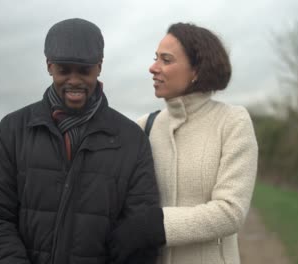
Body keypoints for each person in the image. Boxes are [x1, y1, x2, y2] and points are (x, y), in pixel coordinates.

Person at [0, 18, 160, 264]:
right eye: (64, 70)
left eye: (84, 70)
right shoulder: (12, 130)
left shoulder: (131, 139)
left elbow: (139, 231)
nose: (74, 80)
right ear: (49, 66)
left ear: (99, 67)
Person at [109, 22, 258, 264]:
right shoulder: (144, 126)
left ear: (197, 70)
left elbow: (231, 212)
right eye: (155, 58)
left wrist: (155, 225)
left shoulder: (232, 122)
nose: (153, 68)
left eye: (166, 60)